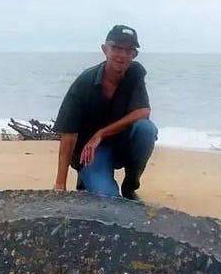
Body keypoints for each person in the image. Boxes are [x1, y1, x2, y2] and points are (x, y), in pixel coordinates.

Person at [52, 24, 158, 200]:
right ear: (105, 49)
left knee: (147, 130)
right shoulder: (84, 84)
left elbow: (143, 112)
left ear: (134, 55)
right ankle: (86, 178)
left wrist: (101, 133)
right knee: (110, 201)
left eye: (128, 50)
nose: (122, 54)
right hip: (92, 152)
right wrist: (60, 184)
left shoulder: (134, 73)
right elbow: (69, 135)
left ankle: (130, 187)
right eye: (116, 47)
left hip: (121, 143)